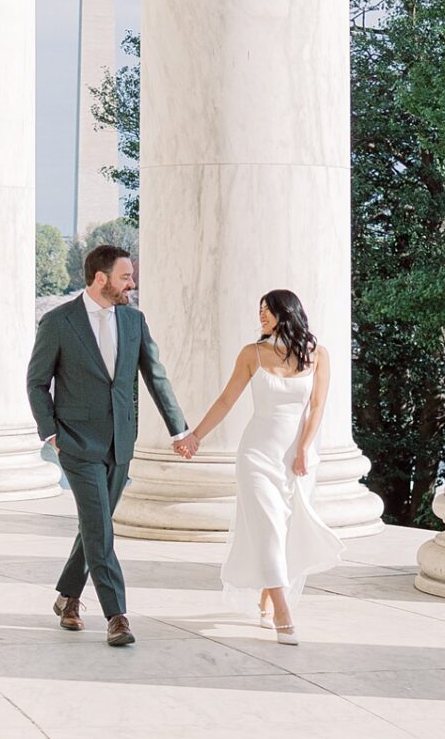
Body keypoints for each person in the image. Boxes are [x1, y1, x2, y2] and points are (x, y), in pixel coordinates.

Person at [26, 243, 188, 648]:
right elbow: (37, 381)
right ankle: (117, 616)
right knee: (100, 529)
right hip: (77, 442)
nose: (132, 284)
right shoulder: (59, 322)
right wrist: (51, 434)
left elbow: (155, 376)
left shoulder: (134, 320)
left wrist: (179, 430)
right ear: (101, 279)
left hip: (121, 442)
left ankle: (68, 596)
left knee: (94, 526)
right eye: (125, 277)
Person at [174, 288, 341, 643]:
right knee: (268, 529)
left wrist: (303, 450)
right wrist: (195, 436)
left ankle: (268, 597)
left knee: (286, 531)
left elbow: (317, 407)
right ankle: (283, 613)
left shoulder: (318, 355)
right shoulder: (252, 354)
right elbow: (225, 400)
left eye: (268, 309)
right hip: (256, 456)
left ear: (287, 312)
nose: (261, 315)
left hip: (296, 458)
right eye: (259, 309)